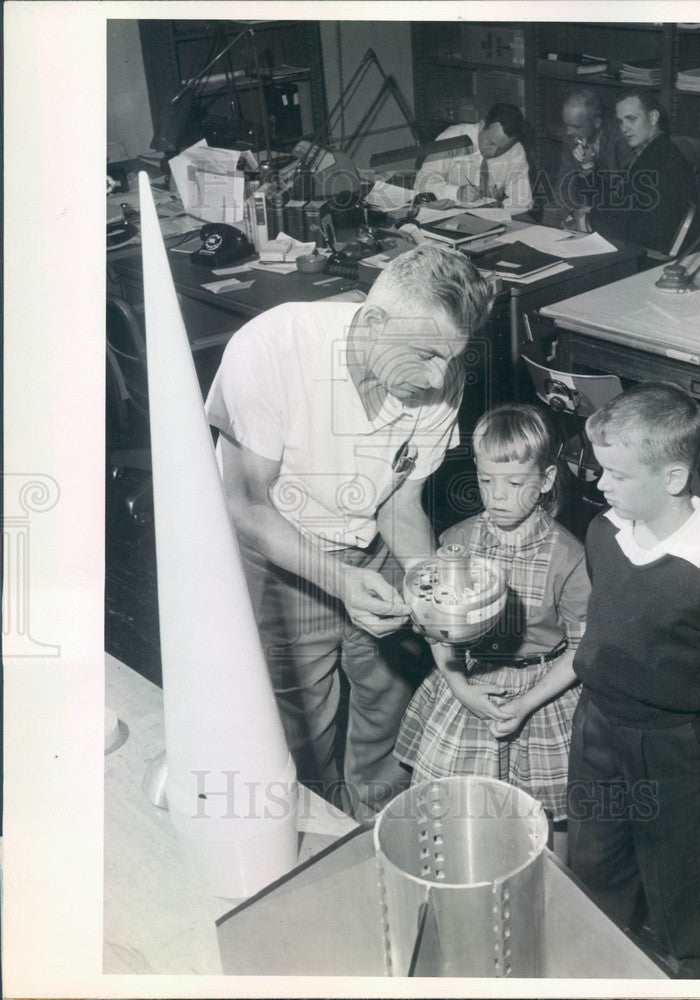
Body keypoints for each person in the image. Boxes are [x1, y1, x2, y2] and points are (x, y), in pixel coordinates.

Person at [204, 243, 492, 821]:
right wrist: (340, 581)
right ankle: (314, 828)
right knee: (300, 716)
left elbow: (402, 499)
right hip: (282, 545)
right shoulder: (271, 348)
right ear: (375, 322)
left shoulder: (438, 378)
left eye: (451, 357)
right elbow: (246, 505)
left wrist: (428, 583)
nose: (440, 376)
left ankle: (374, 821)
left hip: (373, 540)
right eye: (428, 354)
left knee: (388, 692)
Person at [566, 382, 700, 978]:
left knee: (680, 877)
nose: (600, 485)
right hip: (597, 723)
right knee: (595, 861)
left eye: (617, 475)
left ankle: (693, 974)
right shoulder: (605, 533)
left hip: (673, 745)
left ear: (674, 478)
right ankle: (593, 967)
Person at [395, 404, 589, 860]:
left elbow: (582, 649)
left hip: (542, 692)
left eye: (515, 483)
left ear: (544, 481)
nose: (496, 496)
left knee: (547, 822)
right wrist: (460, 687)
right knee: (455, 813)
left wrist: (523, 703)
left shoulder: (569, 555)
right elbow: (440, 631)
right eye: (485, 480)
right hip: (470, 682)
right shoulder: (455, 544)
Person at [580, 89, 700, 255]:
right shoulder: (655, 152)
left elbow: (639, 229)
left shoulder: (660, 161)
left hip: (647, 256)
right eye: (620, 122)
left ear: (653, 117)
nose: (624, 128)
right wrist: (589, 168)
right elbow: (625, 204)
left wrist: (588, 220)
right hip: (638, 245)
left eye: (631, 119)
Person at [413, 103, 533, 213]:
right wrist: (457, 192)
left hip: (489, 218)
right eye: (491, 142)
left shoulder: (515, 150)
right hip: (444, 212)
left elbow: (522, 201)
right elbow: (423, 182)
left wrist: (496, 210)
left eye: (502, 148)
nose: (494, 152)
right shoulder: (454, 138)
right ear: (482, 125)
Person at [552, 87, 634, 212]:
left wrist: (589, 167)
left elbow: (627, 191)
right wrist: (569, 217)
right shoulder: (571, 137)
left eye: (576, 126)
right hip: (583, 210)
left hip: (616, 210)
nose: (568, 132)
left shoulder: (620, 136)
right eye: (566, 124)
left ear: (597, 122)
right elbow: (563, 183)